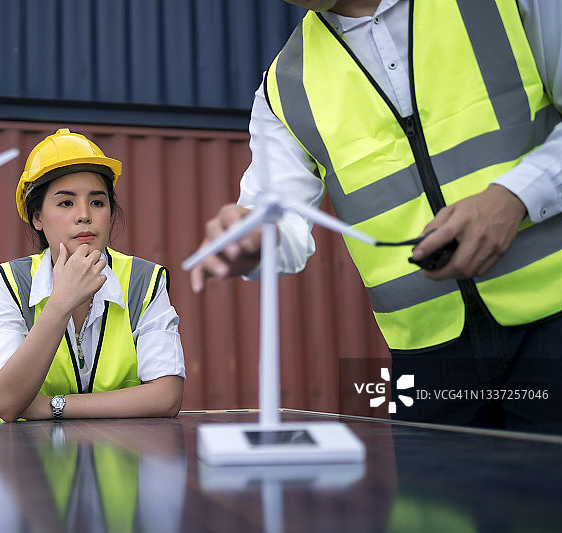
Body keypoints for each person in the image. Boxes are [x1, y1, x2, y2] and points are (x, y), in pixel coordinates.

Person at [191, 0, 562, 432]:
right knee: (439, 504)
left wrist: (515, 196)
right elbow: (278, 221)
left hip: (553, 324)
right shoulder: (283, 87)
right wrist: (253, 242)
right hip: (424, 359)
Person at [0, 129, 185, 422]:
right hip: (29, 463)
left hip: (124, 458)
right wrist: (60, 303)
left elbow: (166, 396)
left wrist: (52, 406)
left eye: (97, 202)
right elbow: (6, 401)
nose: (84, 214)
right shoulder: (8, 282)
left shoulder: (144, 280)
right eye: (66, 202)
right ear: (37, 217)